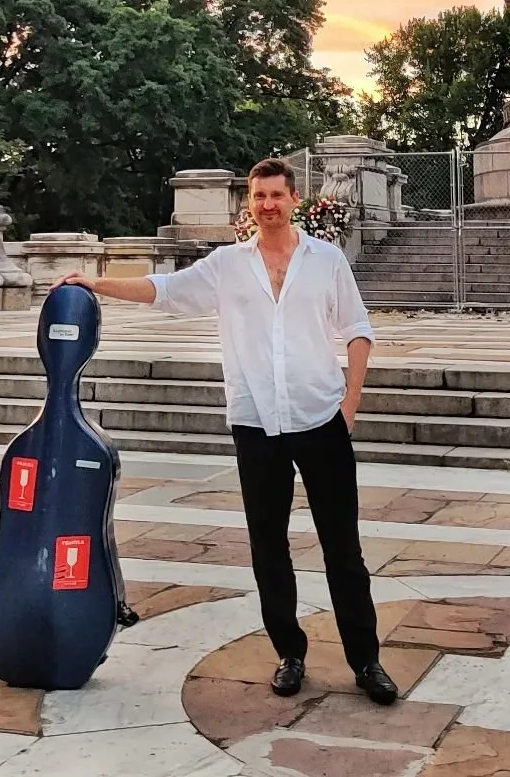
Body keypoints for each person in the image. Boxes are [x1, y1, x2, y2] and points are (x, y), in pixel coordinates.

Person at [58, 156, 398, 705]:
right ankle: (289, 653)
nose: (268, 205)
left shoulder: (327, 260)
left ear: (295, 199)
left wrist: (351, 401)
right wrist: (95, 283)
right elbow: (164, 289)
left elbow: (358, 329)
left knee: (344, 550)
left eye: (277, 195)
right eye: (259, 196)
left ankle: (366, 660)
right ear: (250, 203)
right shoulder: (227, 265)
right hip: (256, 420)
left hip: (321, 418)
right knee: (268, 547)